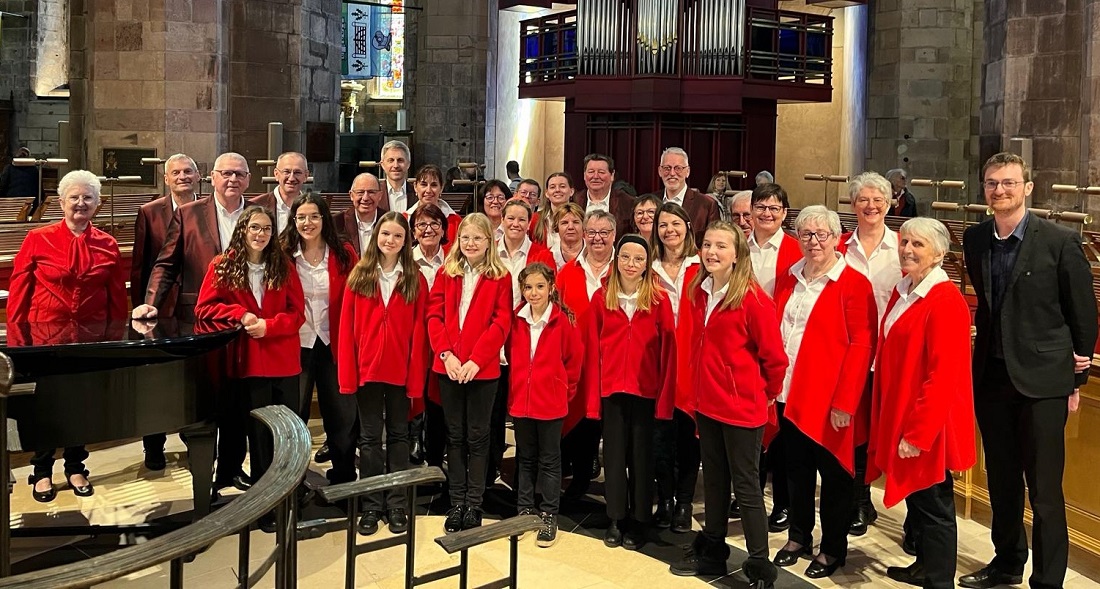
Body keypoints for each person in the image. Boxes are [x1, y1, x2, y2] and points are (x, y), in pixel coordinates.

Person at [959, 152, 1097, 589]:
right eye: (992, 183)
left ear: (1028, 188)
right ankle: (1007, 562)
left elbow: (1083, 312)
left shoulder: (1058, 240)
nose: (1000, 190)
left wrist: (1076, 377)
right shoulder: (975, 237)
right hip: (992, 376)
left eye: (1009, 183)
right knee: (1001, 479)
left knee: (1044, 491)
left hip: (1043, 381)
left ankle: (1048, 580)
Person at [670, 221, 785, 589]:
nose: (712, 252)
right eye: (707, 245)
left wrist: (762, 393)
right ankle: (714, 550)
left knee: (747, 487)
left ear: (737, 255)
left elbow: (775, 360)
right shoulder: (699, 290)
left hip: (741, 409)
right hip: (708, 405)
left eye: (721, 246)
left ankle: (759, 564)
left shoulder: (752, 299)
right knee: (715, 482)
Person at [134, 152, 252, 492]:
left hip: (244, 321)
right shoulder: (188, 214)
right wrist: (150, 303)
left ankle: (231, 468)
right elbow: (165, 264)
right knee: (203, 400)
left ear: (248, 179)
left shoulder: (260, 212)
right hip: (198, 320)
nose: (232, 180)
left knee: (238, 401)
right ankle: (204, 469)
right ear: (212, 177)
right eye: (225, 173)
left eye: (239, 174)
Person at [868, 217, 975, 589]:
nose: (908, 250)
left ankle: (940, 578)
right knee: (917, 499)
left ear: (939, 254)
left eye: (918, 245)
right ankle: (924, 566)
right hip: (902, 410)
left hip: (928, 422)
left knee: (934, 501)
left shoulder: (945, 301)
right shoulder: (904, 290)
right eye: (905, 242)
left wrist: (917, 434)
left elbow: (943, 377)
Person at [9, 170, 128, 502]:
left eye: (88, 197)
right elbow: (20, 290)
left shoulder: (108, 243)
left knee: (82, 405)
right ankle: (42, 471)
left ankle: (76, 466)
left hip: (90, 339)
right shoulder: (38, 238)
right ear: (61, 202)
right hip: (44, 337)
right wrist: (19, 340)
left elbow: (116, 295)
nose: (81, 203)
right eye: (74, 197)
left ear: (97, 204)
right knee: (47, 407)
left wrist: (115, 339)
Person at [771, 205, 876, 579]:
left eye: (822, 235)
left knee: (834, 478)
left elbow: (863, 345)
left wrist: (845, 402)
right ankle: (798, 537)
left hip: (830, 399)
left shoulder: (853, 282)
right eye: (806, 234)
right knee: (794, 471)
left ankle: (832, 549)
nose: (813, 242)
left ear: (836, 238)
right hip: (788, 393)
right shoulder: (789, 277)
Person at [194, 206, 305, 532]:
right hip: (250, 364)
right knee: (259, 439)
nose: (260, 233)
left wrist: (270, 326)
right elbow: (205, 308)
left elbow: (297, 312)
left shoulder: (283, 264)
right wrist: (240, 315)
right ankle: (264, 504)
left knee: (288, 435)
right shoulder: (224, 265)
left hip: (283, 358)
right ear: (243, 229)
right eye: (254, 227)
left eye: (267, 228)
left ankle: (289, 495)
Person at [584, 233, 676, 551]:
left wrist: (664, 401)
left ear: (647, 264)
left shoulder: (659, 300)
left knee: (641, 459)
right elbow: (593, 350)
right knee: (613, 456)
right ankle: (616, 517)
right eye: (625, 257)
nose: (631, 264)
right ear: (616, 259)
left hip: (645, 391)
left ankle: (639, 520)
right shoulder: (601, 298)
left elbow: (667, 353)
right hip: (612, 391)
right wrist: (593, 399)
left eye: (638, 259)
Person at [338, 211, 428, 536]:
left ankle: (398, 503)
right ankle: (372, 505)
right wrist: (348, 375)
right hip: (367, 372)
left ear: (406, 242)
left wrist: (415, 378)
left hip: (401, 372)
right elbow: (346, 331)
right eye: (385, 234)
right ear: (377, 237)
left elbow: (419, 334)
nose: (390, 241)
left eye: (398, 236)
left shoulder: (415, 278)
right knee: (371, 439)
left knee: (400, 437)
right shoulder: (359, 276)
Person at [427, 213, 513, 533]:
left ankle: (474, 503)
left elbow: (501, 322)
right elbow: (433, 316)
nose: (471, 243)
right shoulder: (446, 272)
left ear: (489, 242)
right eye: (465, 238)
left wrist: (476, 360)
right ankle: (456, 501)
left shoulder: (500, 276)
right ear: (458, 241)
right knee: (455, 435)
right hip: (448, 366)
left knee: (478, 436)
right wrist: (447, 355)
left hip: (483, 369)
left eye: (478, 238)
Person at [837, 172, 903, 537]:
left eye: (878, 199)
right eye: (863, 199)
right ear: (852, 204)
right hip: (851, 353)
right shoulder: (840, 248)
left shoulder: (903, 246)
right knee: (857, 431)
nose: (871, 205)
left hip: (893, 354)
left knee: (894, 429)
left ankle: (913, 513)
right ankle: (860, 499)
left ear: (890, 203)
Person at [281, 193, 358, 483]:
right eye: (301, 217)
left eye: (314, 216)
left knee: (341, 416)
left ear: (325, 219)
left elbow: (358, 299)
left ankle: (344, 477)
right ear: (294, 220)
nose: (307, 222)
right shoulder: (283, 253)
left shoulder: (344, 254)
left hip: (333, 343)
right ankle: (293, 483)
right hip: (296, 344)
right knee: (295, 416)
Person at [130, 153, 200, 471]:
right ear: (167, 179)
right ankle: (154, 446)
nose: (183, 176)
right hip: (158, 311)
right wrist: (142, 305)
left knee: (194, 380)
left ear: (198, 177)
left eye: (188, 171)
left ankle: (194, 439)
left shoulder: (209, 210)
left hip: (196, 309)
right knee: (156, 381)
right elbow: (142, 265)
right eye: (176, 173)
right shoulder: (149, 212)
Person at [507, 263, 584, 548]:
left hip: (551, 403)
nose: (534, 293)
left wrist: (563, 393)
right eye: (528, 287)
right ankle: (524, 509)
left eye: (540, 286)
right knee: (525, 457)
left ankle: (549, 513)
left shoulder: (562, 321)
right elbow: (511, 356)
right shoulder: (516, 319)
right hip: (521, 402)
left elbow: (573, 364)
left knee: (550, 460)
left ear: (551, 288)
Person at [488, 199, 555, 486]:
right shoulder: (490, 252)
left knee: (525, 418)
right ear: (501, 219)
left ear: (530, 223)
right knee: (491, 417)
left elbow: (548, 299)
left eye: (521, 219)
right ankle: (488, 475)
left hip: (527, 342)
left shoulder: (541, 254)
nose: (515, 224)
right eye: (510, 218)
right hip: (492, 343)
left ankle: (526, 482)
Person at [556, 209, 617, 499]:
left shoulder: (625, 269)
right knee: (581, 423)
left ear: (614, 235)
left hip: (617, 363)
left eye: (604, 233)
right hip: (579, 363)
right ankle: (580, 478)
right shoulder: (569, 272)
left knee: (617, 429)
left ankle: (619, 490)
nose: (597, 238)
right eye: (591, 232)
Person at [649, 202, 701, 534]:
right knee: (660, 437)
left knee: (688, 436)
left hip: (694, 361)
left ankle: (684, 502)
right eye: (663, 225)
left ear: (687, 226)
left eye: (675, 224)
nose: (670, 230)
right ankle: (664, 499)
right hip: (656, 361)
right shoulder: (647, 267)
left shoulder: (702, 265)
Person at [410, 203, 451, 471]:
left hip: (444, 340)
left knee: (437, 401)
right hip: (412, 341)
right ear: (413, 231)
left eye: (435, 224)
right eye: (422, 225)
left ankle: (436, 456)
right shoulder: (405, 260)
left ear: (444, 229)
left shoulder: (452, 261)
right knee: (413, 397)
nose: (428, 230)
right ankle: (413, 446)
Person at [657, 147, 720, 245]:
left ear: (688, 171)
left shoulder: (707, 205)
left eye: (678, 168)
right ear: (660, 171)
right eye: (667, 168)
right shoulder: (651, 202)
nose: (672, 173)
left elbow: (714, 241)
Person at [748, 183, 801, 298]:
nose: (767, 214)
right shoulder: (737, 246)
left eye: (774, 209)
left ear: (784, 213)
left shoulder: (798, 250)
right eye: (760, 207)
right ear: (751, 210)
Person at [573, 153, 634, 238]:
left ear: (612, 175)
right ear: (584, 175)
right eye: (591, 172)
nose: (595, 176)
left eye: (601, 172)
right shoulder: (574, 201)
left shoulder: (628, 203)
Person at [249, 151, 308, 234]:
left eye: (297, 172)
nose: (291, 178)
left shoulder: (315, 208)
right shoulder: (255, 206)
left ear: (306, 176)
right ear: (276, 174)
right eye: (286, 172)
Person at [406, 164, 461, 245]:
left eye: (434, 185)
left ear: (441, 188)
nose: (428, 190)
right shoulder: (404, 219)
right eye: (423, 185)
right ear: (415, 187)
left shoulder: (456, 221)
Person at [334, 173, 383, 257]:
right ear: (351, 195)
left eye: (371, 192)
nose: (365, 198)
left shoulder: (389, 220)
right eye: (360, 192)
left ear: (380, 195)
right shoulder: (336, 222)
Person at [531, 172, 575, 248]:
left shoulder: (580, 219)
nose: (557, 190)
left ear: (571, 192)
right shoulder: (535, 219)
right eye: (552, 187)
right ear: (547, 193)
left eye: (562, 186)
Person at [548, 202, 585, 270]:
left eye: (575, 222)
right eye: (564, 223)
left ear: (583, 226)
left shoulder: (593, 254)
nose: (570, 227)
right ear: (557, 227)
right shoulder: (547, 257)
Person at [379, 140, 413, 213]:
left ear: (408, 164)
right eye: (391, 160)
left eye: (400, 160)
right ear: (382, 165)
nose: (396, 165)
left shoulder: (417, 193)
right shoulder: (375, 194)